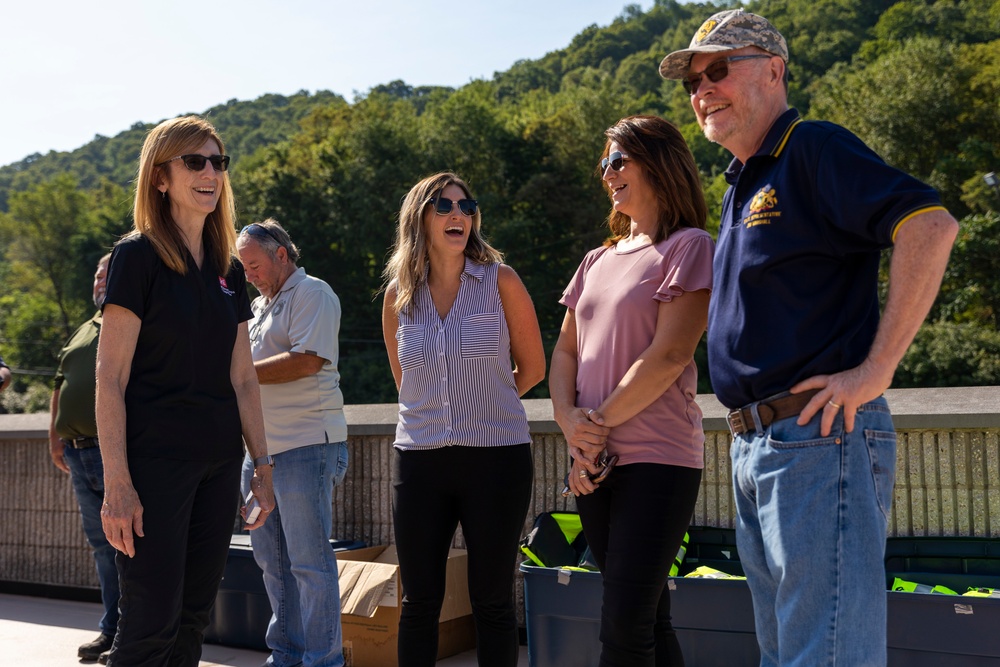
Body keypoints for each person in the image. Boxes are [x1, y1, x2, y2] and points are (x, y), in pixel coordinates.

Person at [659, 9, 959, 666]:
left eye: (718, 69)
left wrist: (876, 369)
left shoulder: (812, 147)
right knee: (788, 655)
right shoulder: (744, 179)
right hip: (756, 447)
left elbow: (930, 227)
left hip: (817, 440)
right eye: (692, 79)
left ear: (773, 69)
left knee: (824, 657)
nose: (702, 88)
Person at [96, 115, 276, 667]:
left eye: (218, 161)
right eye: (194, 161)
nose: (210, 172)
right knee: (150, 623)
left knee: (194, 617)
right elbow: (110, 377)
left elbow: (243, 377)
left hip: (218, 465)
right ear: (160, 177)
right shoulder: (137, 257)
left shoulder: (227, 267)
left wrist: (262, 469)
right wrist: (118, 484)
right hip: (153, 466)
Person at [549, 115, 714, 666]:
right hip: (594, 461)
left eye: (618, 160)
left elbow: (669, 355)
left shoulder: (690, 247)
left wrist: (591, 431)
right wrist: (571, 425)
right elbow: (566, 351)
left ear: (659, 162)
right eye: (604, 164)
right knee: (645, 620)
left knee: (622, 627)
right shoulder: (597, 259)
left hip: (659, 460)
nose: (607, 174)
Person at [381, 172, 545, 667]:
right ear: (419, 218)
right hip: (420, 461)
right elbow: (404, 382)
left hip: (496, 460)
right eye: (444, 205)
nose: (459, 214)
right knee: (418, 603)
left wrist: (487, 404)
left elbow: (534, 368)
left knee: (492, 602)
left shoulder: (501, 280)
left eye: (466, 206)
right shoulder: (397, 297)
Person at [235, 218, 349, 667]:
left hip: (307, 446)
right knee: (271, 563)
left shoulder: (313, 293)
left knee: (308, 563)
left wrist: (240, 377)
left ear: (281, 254)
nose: (249, 274)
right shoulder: (260, 306)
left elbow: (306, 361)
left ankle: (323, 661)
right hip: (261, 453)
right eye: (243, 268)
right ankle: (285, 656)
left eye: (255, 264)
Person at [48, 253, 120, 662]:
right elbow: (60, 385)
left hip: (113, 453)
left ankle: (131, 632)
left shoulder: (131, 326)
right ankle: (110, 630)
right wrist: (54, 440)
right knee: (102, 548)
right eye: (96, 275)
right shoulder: (82, 331)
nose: (98, 281)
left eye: (106, 274)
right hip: (77, 455)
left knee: (128, 547)